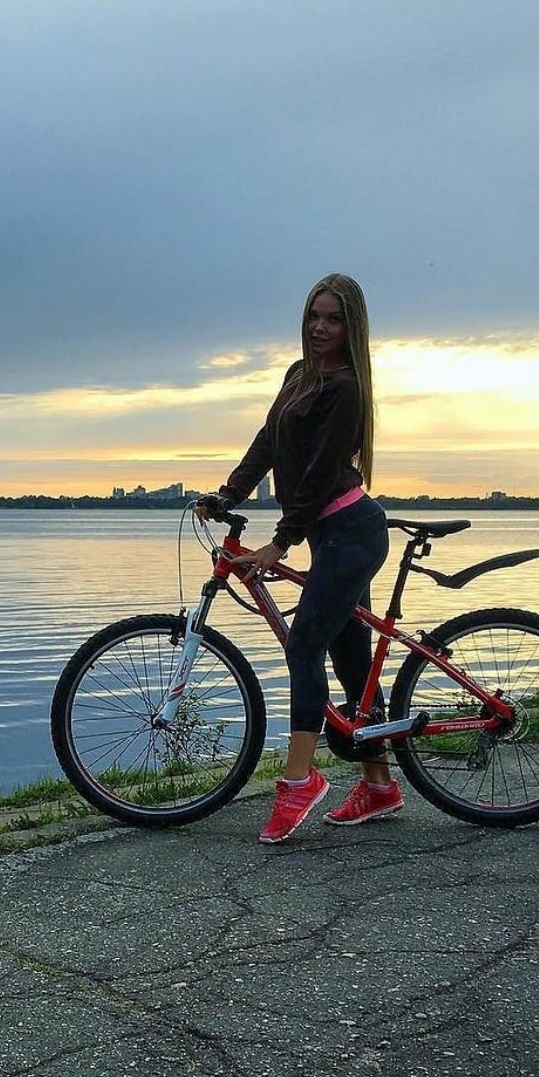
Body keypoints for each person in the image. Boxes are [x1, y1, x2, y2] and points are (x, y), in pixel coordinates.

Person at [197, 273, 403, 844]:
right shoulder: (298, 376)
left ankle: (298, 781)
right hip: (329, 533)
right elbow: (269, 441)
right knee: (352, 662)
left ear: (351, 326)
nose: (319, 327)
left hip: (351, 532)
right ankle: (380, 786)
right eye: (314, 315)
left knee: (305, 645)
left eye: (333, 319)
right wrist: (229, 494)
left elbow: (318, 473)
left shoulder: (346, 388)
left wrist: (282, 541)